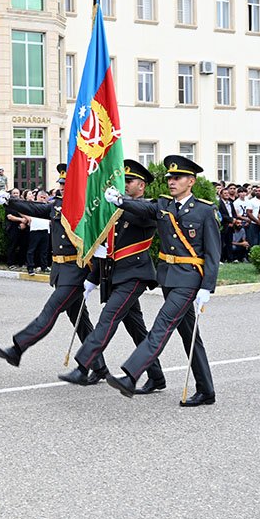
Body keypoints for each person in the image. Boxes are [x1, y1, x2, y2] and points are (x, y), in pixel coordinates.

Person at [103, 155, 220, 407]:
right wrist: (120, 200)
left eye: (177, 178)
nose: (171, 182)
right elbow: (143, 209)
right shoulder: (164, 204)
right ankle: (206, 390)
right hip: (168, 276)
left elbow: (213, 252)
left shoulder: (204, 210)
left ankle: (131, 375)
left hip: (189, 278)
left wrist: (207, 287)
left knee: (162, 325)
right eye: (169, 178)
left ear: (191, 181)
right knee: (190, 335)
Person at [0, 163, 108, 384]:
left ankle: (17, 348)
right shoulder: (58, 205)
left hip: (76, 272)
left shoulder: (87, 206)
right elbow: (36, 209)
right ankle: (99, 366)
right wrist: (10, 201)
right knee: (81, 322)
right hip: (61, 272)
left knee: (50, 312)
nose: (62, 187)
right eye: (61, 184)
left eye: (67, 184)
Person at [57, 159, 166, 393]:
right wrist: (93, 278)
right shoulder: (117, 208)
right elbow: (108, 249)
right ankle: (156, 377)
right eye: (123, 180)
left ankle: (83, 366)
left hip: (135, 275)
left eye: (130, 181)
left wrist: (119, 201)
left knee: (108, 318)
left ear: (142, 186)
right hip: (116, 276)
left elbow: (142, 213)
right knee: (137, 328)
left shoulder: (148, 207)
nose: (125, 184)